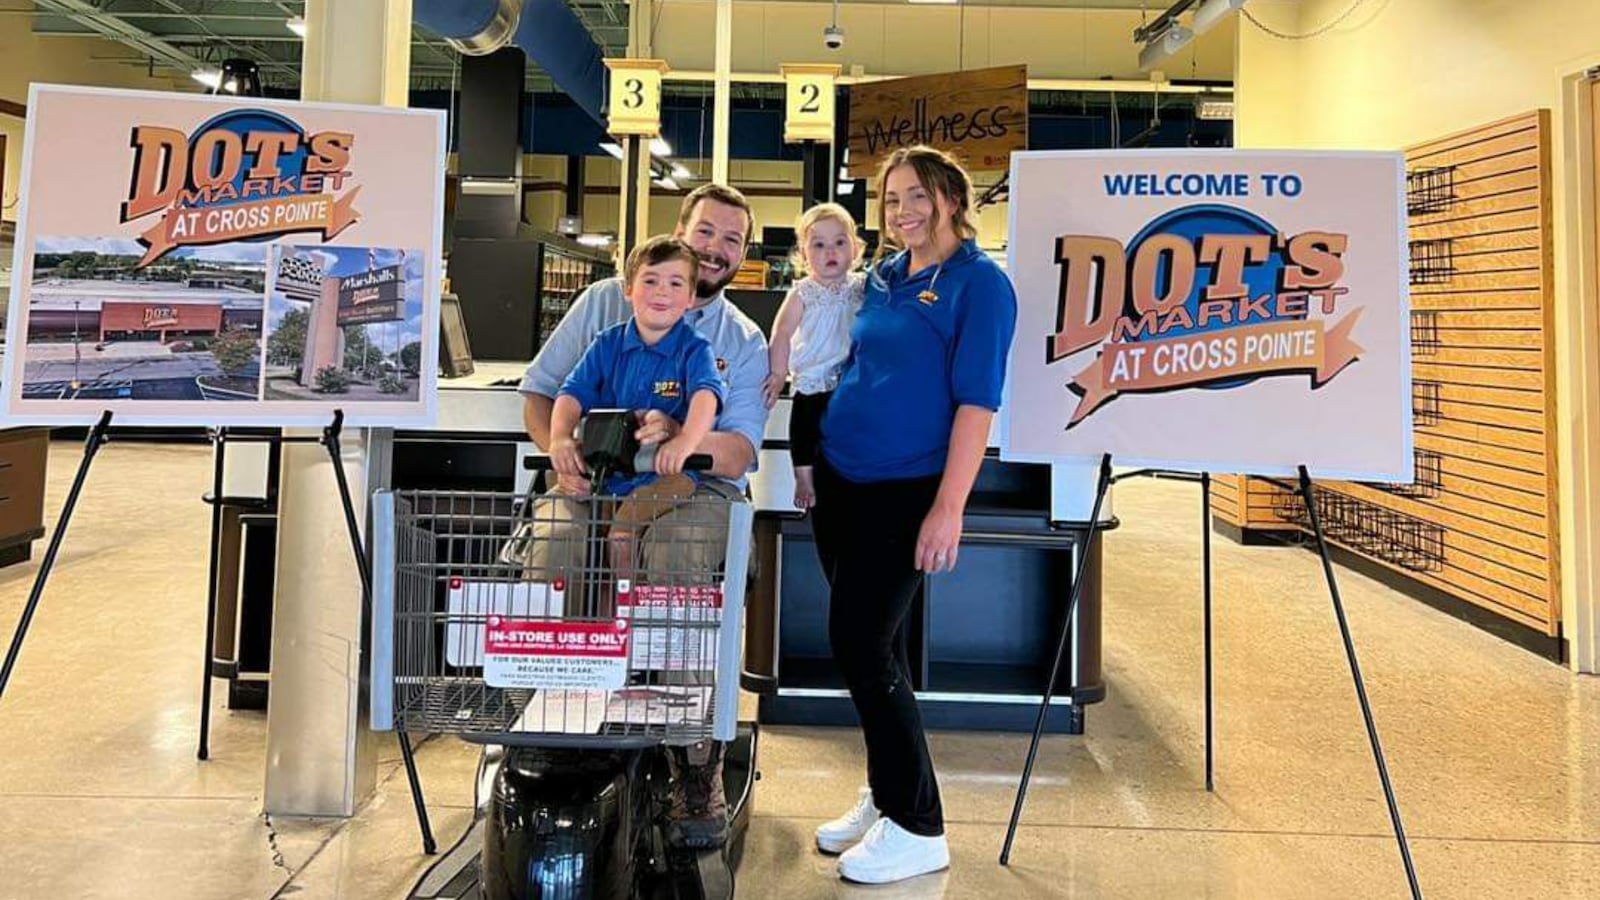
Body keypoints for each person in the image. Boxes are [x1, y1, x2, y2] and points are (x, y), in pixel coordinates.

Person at [515, 183, 769, 850]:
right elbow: (544, 394)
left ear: (741, 256)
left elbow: (739, 451)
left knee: (675, 565)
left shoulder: (738, 339)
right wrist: (559, 453)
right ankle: (549, 732)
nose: (716, 249)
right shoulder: (605, 304)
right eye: (706, 232)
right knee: (554, 554)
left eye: (731, 240)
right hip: (591, 481)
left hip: (696, 489)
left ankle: (693, 761)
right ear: (680, 229)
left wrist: (677, 436)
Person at [807, 146, 1018, 884]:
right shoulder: (886, 278)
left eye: (917, 195)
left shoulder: (981, 285)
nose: (904, 211)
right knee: (877, 650)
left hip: (908, 491)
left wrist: (949, 508)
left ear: (953, 198)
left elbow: (977, 403)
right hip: (841, 480)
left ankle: (920, 825)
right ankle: (884, 792)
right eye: (892, 199)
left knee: (860, 644)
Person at [548, 236, 723, 568]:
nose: (662, 291)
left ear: (690, 298)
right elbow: (571, 395)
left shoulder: (695, 349)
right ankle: (600, 612)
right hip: (606, 472)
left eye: (675, 283)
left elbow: (706, 397)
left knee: (622, 533)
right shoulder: (607, 344)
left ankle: (627, 615)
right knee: (586, 545)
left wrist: (685, 442)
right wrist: (559, 438)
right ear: (628, 288)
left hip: (667, 476)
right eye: (650, 280)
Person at [761, 203, 866, 509]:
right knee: (805, 427)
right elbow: (780, 333)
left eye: (839, 242)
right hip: (812, 377)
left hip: (850, 379)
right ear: (804, 255)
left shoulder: (861, 286)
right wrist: (779, 374)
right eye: (818, 244)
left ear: (855, 249)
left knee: (851, 429)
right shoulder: (803, 292)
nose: (829, 251)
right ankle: (804, 478)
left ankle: (854, 474)